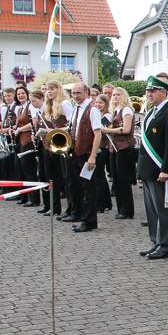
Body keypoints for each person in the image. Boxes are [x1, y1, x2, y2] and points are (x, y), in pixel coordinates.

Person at [136, 76, 168, 259]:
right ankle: (155, 242)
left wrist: (167, 169)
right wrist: (140, 171)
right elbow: (144, 145)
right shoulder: (150, 112)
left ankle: (165, 245)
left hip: (160, 169)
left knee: (163, 210)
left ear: (164, 92)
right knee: (152, 209)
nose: (149, 94)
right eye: (148, 91)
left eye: (153, 91)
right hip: (148, 169)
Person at [66, 82, 104, 233]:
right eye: (73, 93)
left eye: (78, 93)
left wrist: (92, 156)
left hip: (86, 153)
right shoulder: (76, 108)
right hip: (76, 152)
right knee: (80, 188)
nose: (75, 96)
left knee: (88, 189)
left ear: (86, 93)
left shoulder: (92, 110)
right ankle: (86, 219)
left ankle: (88, 221)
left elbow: (98, 134)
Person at [38, 80, 74, 217]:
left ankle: (71, 209)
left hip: (66, 145)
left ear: (58, 90)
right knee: (54, 176)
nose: (49, 91)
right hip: (56, 143)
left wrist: (55, 131)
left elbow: (71, 124)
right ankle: (56, 208)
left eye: (52, 89)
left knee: (67, 178)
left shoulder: (64, 104)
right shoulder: (51, 105)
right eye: (47, 89)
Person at [106, 88, 137, 219]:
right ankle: (121, 208)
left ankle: (127, 210)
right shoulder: (115, 111)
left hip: (124, 147)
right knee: (117, 179)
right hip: (114, 148)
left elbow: (126, 129)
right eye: (113, 95)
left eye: (118, 95)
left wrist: (107, 130)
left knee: (123, 179)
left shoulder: (126, 110)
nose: (115, 97)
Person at [12, 88, 43, 208]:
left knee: (29, 171)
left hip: (28, 141)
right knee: (20, 170)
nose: (20, 95)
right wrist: (13, 128)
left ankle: (34, 198)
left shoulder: (31, 106)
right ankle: (24, 196)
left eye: (22, 93)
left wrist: (20, 129)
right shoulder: (19, 108)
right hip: (20, 141)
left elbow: (34, 123)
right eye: (18, 94)